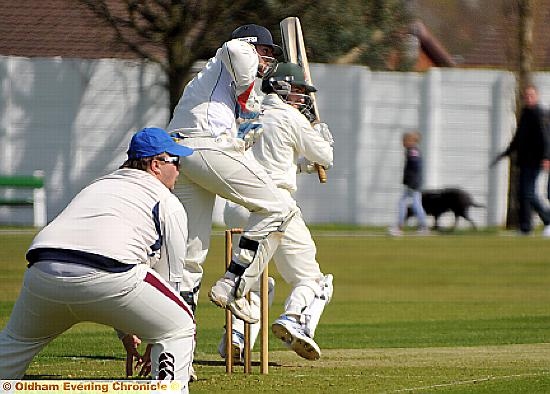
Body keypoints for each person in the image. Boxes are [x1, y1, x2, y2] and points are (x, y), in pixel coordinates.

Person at [0, 127, 196, 390]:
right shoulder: (167, 201)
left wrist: (127, 331)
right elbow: (170, 280)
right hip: (108, 273)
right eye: (176, 161)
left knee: (14, 344)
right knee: (180, 325)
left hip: (42, 271)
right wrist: (155, 332)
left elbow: (96, 244)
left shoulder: (99, 184)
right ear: (155, 164)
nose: (179, 170)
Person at [167, 24, 297, 324]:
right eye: (264, 51)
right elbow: (233, 47)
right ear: (253, 46)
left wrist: (245, 125)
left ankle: (175, 344)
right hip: (204, 146)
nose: (266, 59)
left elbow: (238, 122)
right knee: (281, 207)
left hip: (182, 156)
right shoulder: (236, 55)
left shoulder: (215, 83)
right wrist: (249, 79)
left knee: (189, 257)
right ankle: (234, 284)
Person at [218, 62, 334, 361]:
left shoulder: (248, 111)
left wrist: (304, 161)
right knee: (314, 280)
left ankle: (237, 336)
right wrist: (319, 134)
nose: (302, 98)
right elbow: (325, 156)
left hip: (237, 205)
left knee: (255, 280)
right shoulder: (291, 116)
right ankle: (294, 319)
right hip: (275, 207)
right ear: (282, 88)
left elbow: (273, 158)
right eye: (297, 91)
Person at [492, 84, 550, 236]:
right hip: (525, 161)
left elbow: (546, 138)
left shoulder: (540, 114)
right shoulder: (525, 114)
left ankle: (546, 220)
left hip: (536, 160)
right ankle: (526, 227)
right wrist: (506, 153)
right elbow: (518, 138)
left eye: (531, 95)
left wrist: (546, 157)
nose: (528, 98)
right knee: (524, 193)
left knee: (528, 193)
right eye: (526, 96)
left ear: (537, 96)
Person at [389, 131, 428, 236]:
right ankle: (423, 226)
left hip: (413, 183)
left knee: (405, 203)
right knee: (415, 204)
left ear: (411, 141)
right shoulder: (412, 150)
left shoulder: (412, 151)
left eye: (404, 140)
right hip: (414, 182)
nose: (402, 142)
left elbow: (415, 166)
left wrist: (411, 181)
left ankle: (399, 227)